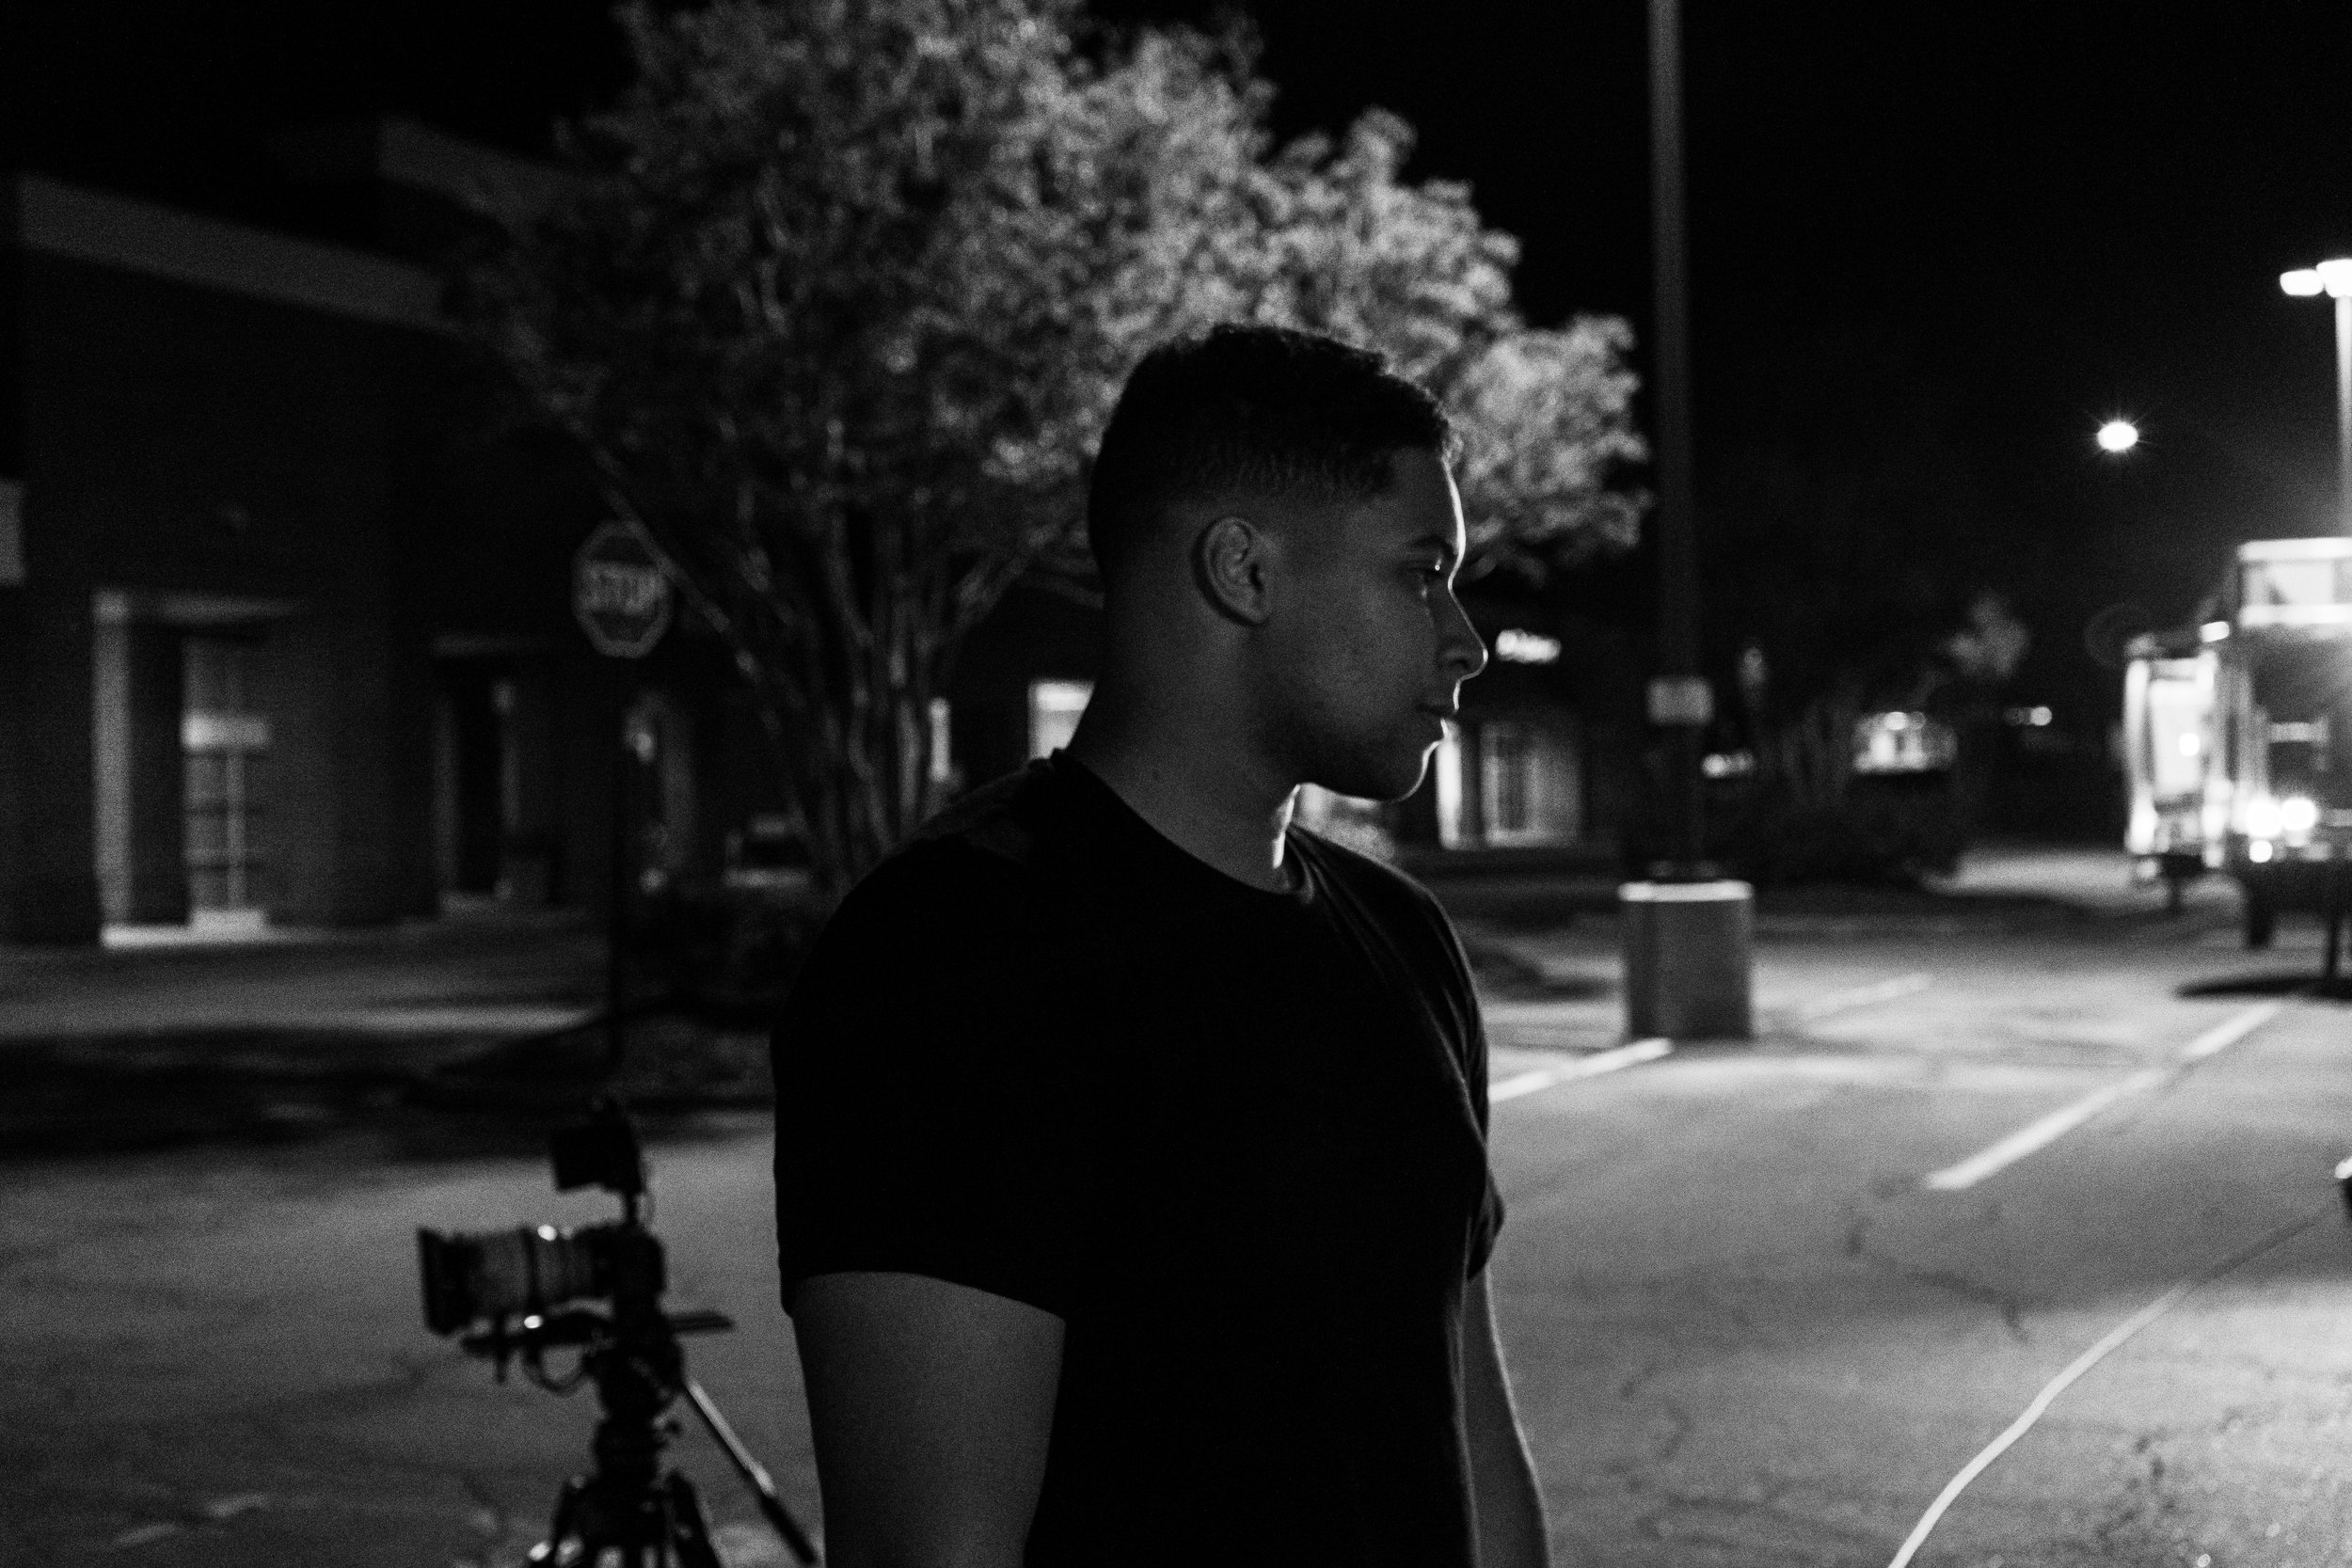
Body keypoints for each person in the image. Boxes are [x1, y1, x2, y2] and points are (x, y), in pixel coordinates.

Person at [772, 323, 1554, 1568]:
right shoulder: (957, 961)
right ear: (1243, 571)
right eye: (1421, 572)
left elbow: (1465, 1440)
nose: (1466, 639)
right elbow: (937, 1548)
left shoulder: (1403, 942)